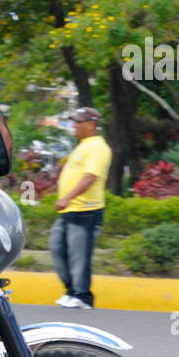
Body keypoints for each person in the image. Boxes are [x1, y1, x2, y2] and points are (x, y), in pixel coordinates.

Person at [51, 106, 112, 309]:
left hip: (86, 210)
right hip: (70, 210)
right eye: (73, 121)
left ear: (91, 125)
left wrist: (67, 197)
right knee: (58, 249)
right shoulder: (84, 144)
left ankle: (83, 296)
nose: (74, 125)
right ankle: (71, 291)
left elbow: (90, 177)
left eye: (78, 122)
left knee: (79, 256)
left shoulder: (98, 147)